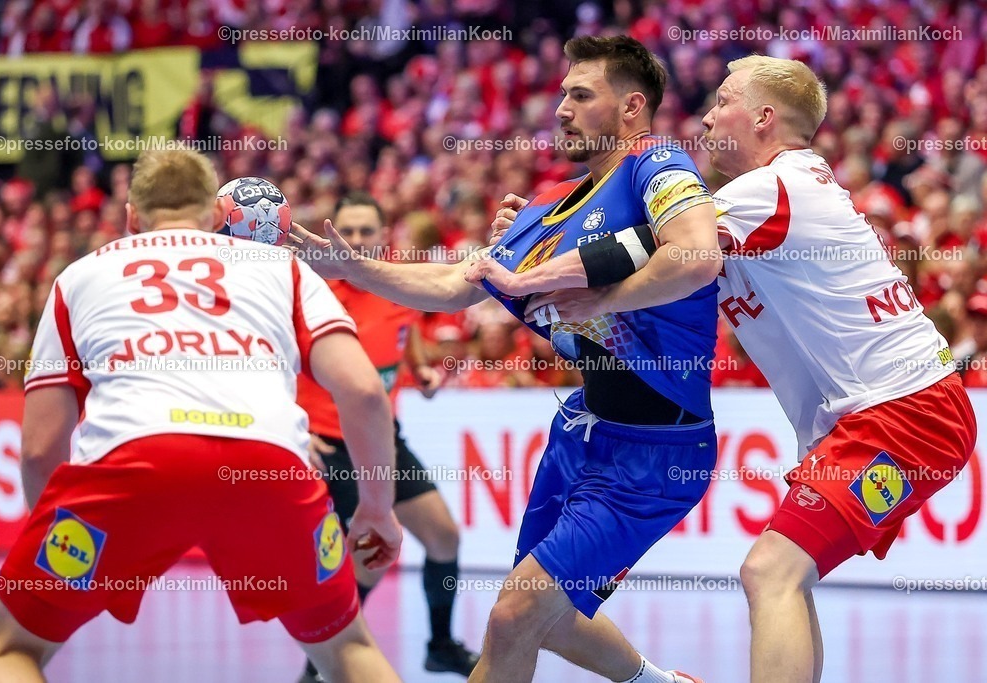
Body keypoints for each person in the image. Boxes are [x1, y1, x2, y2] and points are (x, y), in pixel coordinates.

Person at [477, 55, 975, 683]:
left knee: (769, 571)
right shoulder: (767, 198)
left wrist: (527, 266)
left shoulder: (770, 190)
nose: (707, 117)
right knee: (788, 577)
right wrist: (536, 228)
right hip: (872, 417)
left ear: (764, 118)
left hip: (905, 412)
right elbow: (645, 245)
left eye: (723, 102)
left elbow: (644, 246)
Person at [299, 35, 718, 683]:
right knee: (544, 614)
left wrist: (596, 299)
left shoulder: (656, 162)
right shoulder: (550, 202)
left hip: (656, 451)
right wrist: (354, 266)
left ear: (633, 107)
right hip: (583, 429)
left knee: (513, 614)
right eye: (561, 95)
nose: (561, 109)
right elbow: (451, 288)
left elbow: (698, 254)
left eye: (581, 95)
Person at [0, 149, 404, 683]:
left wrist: (73, 546)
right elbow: (363, 390)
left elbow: (40, 449)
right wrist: (377, 509)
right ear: (213, 215)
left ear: (131, 217)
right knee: (348, 650)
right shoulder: (282, 268)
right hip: (267, 468)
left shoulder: (78, 277)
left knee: (6, 650)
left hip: (133, 461)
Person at [296, 191, 479, 681]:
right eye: (347, 231)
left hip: (385, 438)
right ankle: (321, 664)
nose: (355, 240)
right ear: (335, 234)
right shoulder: (315, 291)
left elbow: (407, 334)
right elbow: (272, 360)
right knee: (370, 560)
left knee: (443, 536)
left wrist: (420, 369)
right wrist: (293, 427)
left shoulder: (399, 285)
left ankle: (440, 646)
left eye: (365, 232)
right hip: (330, 444)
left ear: (382, 236)